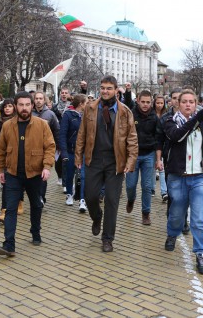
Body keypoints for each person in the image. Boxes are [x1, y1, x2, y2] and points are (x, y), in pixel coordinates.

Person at [75, 75, 138, 253]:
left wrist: (131, 160)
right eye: (102, 88)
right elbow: (82, 134)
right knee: (90, 196)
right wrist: (78, 156)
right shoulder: (90, 109)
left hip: (115, 161)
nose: (105, 91)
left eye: (109, 88)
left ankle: (107, 238)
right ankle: (97, 217)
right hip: (93, 159)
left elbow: (132, 139)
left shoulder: (125, 111)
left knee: (112, 200)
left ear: (116, 90)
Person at [163, 85, 203, 275]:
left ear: (196, 104)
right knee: (177, 214)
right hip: (178, 177)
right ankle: (172, 233)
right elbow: (177, 136)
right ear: (178, 104)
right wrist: (197, 118)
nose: (188, 105)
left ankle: (201, 253)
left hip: (201, 176)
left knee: (198, 217)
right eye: (184, 102)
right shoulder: (170, 121)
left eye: (192, 102)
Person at [0, 91, 56, 257]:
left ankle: (35, 231)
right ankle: (9, 245)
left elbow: (50, 147)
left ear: (32, 105)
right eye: (21, 105)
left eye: (27, 105)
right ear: (15, 106)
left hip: (35, 173)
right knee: (11, 208)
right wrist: (1, 169)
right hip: (13, 174)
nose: (24, 108)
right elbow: (0, 149)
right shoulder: (8, 126)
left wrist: (46, 167)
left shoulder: (42, 124)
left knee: (36, 204)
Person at [126, 90, 162, 225]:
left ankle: (146, 213)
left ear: (151, 102)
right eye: (143, 102)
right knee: (130, 185)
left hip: (148, 155)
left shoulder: (154, 118)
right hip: (133, 155)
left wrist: (158, 159)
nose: (145, 105)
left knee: (147, 186)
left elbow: (158, 139)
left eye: (148, 102)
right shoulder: (131, 115)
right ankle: (131, 199)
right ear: (138, 101)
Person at [0, 98, 22, 223]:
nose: (7, 109)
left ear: (14, 107)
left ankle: (20, 201)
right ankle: (4, 210)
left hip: (17, 155)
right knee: (5, 184)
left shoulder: (19, 120)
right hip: (5, 156)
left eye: (10, 106)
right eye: (5, 107)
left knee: (19, 182)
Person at [59, 94, 88, 212]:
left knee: (83, 175)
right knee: (70, 174)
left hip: (84, 151)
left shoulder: (87, 115)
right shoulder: (67, 115)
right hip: (71, 150)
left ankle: (82, 200)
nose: (88, 105)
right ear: (81, 104)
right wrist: (64, 152)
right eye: (86, 103)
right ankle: (70, 194)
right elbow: (62, 134)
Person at [32, 91, 60, 204]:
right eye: (36, 98)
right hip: (31, 149)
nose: (38, 100)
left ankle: (41, 197)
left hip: (45, 149)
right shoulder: (29, 113)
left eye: (40, 98)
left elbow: (57, 131)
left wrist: (58, 147)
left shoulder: (50, 114)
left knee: (43, 173)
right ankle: (35, 195)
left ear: (44, 100)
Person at [52, 86, 70, 187]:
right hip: (58, 136)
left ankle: (65, 180)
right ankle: (59, 176)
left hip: (69, 136)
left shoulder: (71, 106)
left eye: (66, 93)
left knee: (66, 158)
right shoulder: (55, 107)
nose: (64, 94)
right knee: (58, 159)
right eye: (62, 93)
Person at [153, 94, 168, 201]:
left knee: (161, 168)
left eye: (161, 103)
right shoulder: (151, 114)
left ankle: (164, 191)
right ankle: (152, 188)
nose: (159, 105)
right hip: (151, 144)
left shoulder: (166, 115)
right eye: (157, 103)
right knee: (152, 168)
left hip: (161, 144)